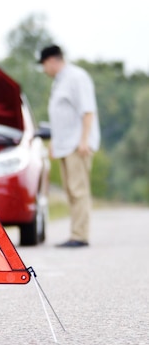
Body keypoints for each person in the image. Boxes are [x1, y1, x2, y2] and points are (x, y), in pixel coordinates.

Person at [39, 45, 101, 248]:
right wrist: (55, 142)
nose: (44, 70)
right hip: (65, 144)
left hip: (77, 144)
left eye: (44, 65)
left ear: (51, 61)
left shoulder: (76, 77)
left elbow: (88, 110)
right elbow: (61, 117)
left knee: (78, 189)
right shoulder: (60, 81)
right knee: (70, 190)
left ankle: (80, 235)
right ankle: (75, 232)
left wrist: (84, 141)